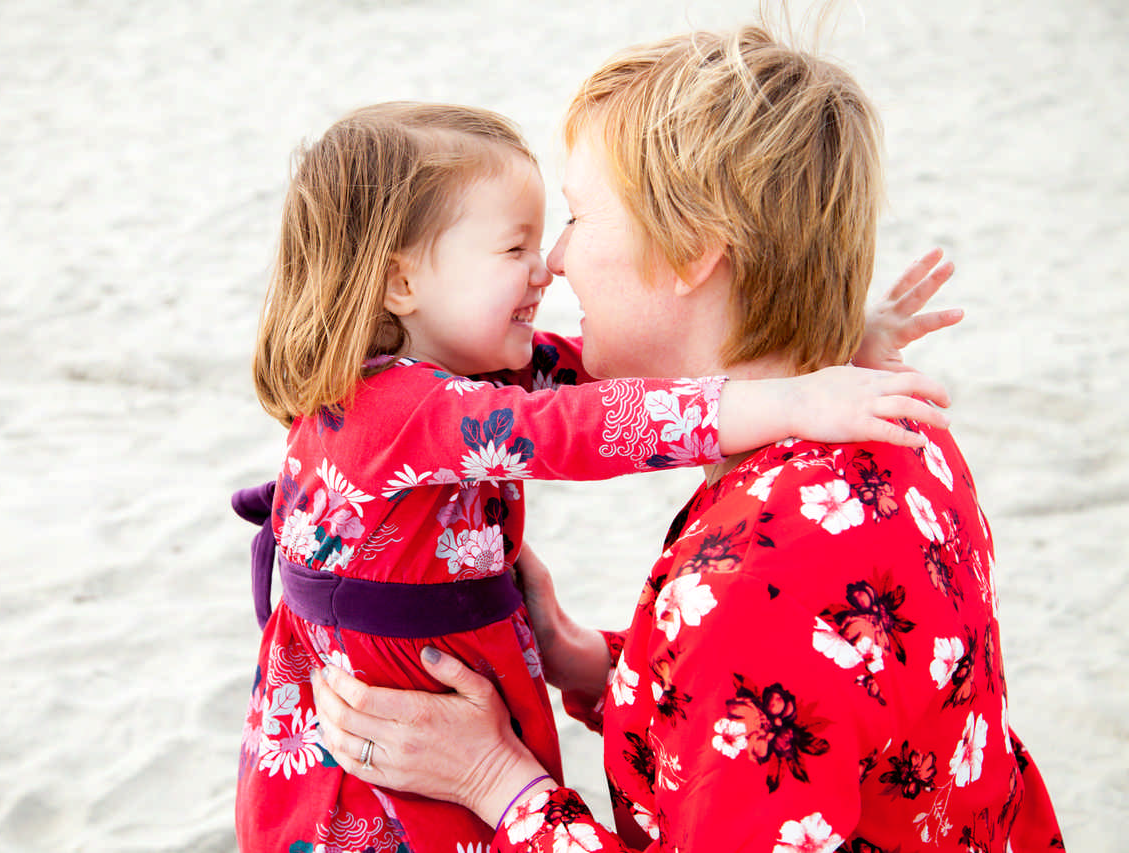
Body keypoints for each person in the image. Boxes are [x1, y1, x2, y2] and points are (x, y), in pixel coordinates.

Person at [309, 27, 1065, 853]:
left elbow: (761, 651)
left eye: (579, 214)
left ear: (692, 250)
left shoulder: (757, 580)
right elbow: (823, 704)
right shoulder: (900, 434)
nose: (555, 260)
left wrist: (496, 781)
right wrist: (594, 664)